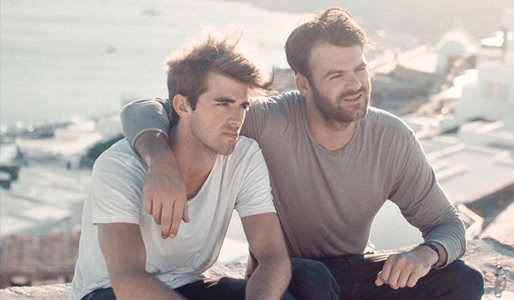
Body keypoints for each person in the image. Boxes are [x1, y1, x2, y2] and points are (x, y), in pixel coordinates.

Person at [120, 8, 484, 299]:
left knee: (464, 281)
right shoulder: (266, 120)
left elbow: (448, 225)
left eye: (360, 69)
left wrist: (426, 254)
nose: (355, 85)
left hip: (357, 271)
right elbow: (146, 107)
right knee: (313, 276)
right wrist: (160, 161)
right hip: (293, 279)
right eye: (336, 76)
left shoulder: (393, 139)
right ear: (304, 85)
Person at [70, 35, 297, 300]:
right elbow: (128, 283)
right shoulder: (120, 167)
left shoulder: (244, 156)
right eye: (222, 104)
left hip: (187, 285)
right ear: (182, 105)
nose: (236, 119)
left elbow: (273, 258)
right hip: (108, 293)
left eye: (243, 106)